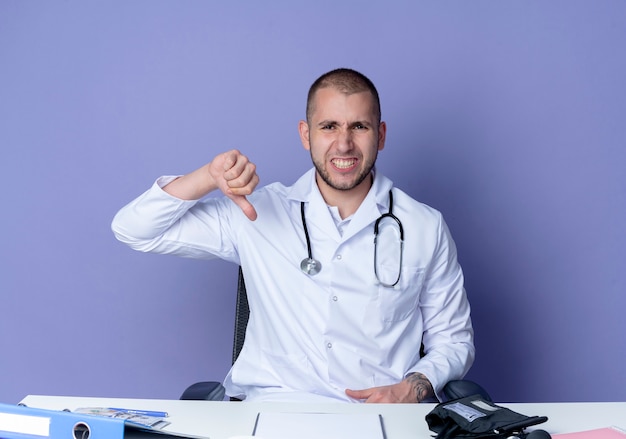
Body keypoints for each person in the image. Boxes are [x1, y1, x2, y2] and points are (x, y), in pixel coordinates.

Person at [112, 68, 474, 403]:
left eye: (359, 127)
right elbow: (134, 229)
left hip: (378, 416)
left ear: (380, 135)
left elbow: (454, 340)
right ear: (306, 134)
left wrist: (412, 387)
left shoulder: (425, 226)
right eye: (329, 126)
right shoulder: (256, 211)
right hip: (273, 413)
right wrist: (208, 176)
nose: (344, 144)